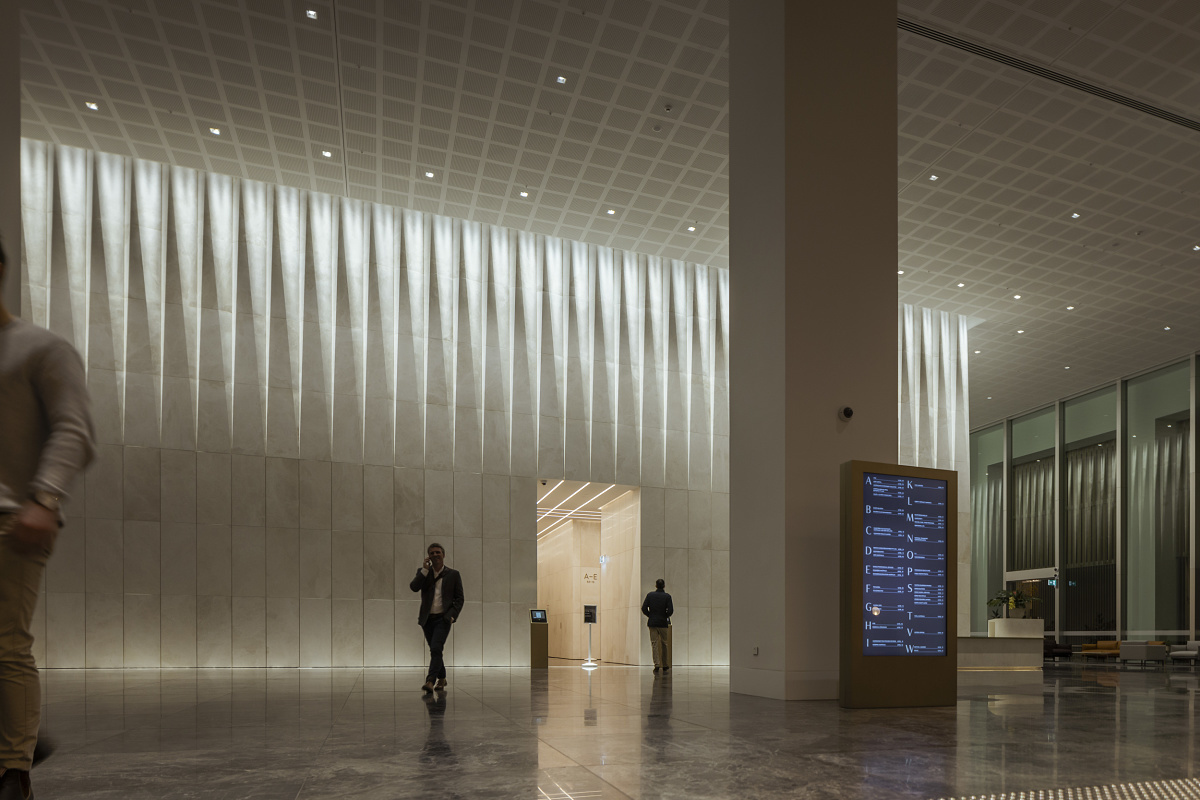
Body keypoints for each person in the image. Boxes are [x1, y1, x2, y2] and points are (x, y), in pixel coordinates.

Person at [0, 234, 95, 800]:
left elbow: (73, 428)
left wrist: (46, 498)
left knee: (5, 643)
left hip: (14, 521)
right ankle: (19, 737)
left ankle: (14, 771)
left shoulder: (39, 347)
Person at [409, 543, 464, 694]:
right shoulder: (424, 572)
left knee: (435, 648)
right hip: (427, 619)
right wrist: (425, 571)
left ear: (443, 555)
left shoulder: (453, 574)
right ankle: (443, 678)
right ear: (428, 556)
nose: (435, 555)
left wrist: (452, 616)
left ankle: (430, 680)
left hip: (443, 619)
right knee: (436, 650)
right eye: (432, 553)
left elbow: (459, 598)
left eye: (438, 552)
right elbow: (414, 587)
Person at [642, 578, 674, 673]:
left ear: (655, 585)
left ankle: (656, 664)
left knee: (654, 644)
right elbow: (671, 610)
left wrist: (650, 615)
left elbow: (644, 608)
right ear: (664, 586)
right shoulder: (667, 596)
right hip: (663, 623)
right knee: (664, 643)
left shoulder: (650, 595)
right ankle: (665, 664)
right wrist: (665, 616)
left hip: (652, 622)